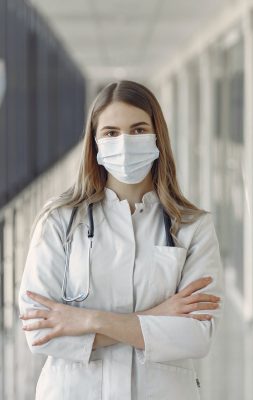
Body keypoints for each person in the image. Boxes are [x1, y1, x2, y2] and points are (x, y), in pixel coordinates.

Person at [18, 80, 224, 400]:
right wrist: (157, 318)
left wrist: (88, 319)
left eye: (139, 130)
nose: (125, 142)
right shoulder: (59, 220)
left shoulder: (192, 226)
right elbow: (40, 331)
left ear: (158, 138)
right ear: (96, 144)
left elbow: (196, 336)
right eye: (111, 133)